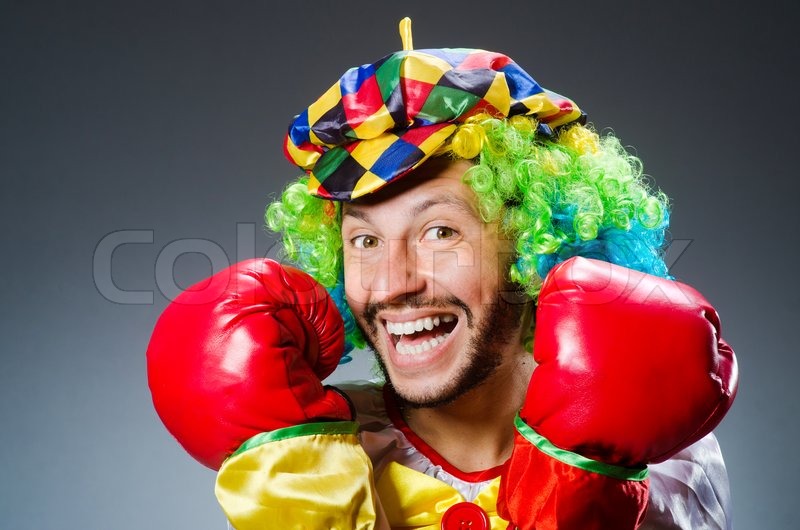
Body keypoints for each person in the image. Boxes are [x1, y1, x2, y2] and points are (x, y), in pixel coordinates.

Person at [147, 19, 738, 530]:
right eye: (366, 240)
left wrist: (586, 486)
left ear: (539, 246)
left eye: (440, 232)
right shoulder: (307, 454)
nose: (392, 283)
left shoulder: (653, 462)